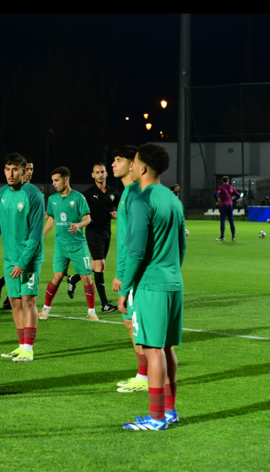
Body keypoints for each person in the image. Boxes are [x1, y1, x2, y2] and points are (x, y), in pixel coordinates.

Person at [118, 143, 185, 431]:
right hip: (173, 283)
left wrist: (124, 289)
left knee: (153, 349)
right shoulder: (173, 199)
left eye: (133, 162)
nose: (131, 167)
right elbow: (181, 246)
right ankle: (169, 411)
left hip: (151, 285)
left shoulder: (142, 200)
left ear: (143, 168)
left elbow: (135, 251)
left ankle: (156, 418)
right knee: (167, 348)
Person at [0, 153, 44, 362]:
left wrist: (23, 263)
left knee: (28, 300)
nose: (11, 173)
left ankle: (29, 349)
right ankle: (21, 345)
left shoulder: (34, 195)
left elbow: (35, 234)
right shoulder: (1, 194)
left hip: (30, 258)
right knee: (15, 301)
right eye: (7, 169)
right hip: (9, 259)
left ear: (24, 171)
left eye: (15, 169)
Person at [110, 145, 149, 393]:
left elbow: (134, 242)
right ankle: (142, 374)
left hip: (136, 275)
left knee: (137, 324)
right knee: (129, 322)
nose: (113, 164)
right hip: (130, 272)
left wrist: (123, 276)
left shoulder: (134, 194)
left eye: (118, 159)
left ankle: (145, 377)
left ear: (133, 165)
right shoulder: (126, 193)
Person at [40, 166, 98, 321]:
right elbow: (51, 220)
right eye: (52, 181)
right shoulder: (52, 199)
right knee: (57, 277)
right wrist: (40, 238)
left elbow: (87, 218)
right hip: (61, 245)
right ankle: (45, 309)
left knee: (86, 278)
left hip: (78, 245)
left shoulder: (79, 198)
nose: (54, 184)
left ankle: (91, 311)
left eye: (57, 180)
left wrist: (79, 225)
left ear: (66, 180)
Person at [0, 158, 34, 309]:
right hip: (17, 240)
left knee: (19, 268)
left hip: (26, 240)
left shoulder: (32, 192)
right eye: (27, 169)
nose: (29, 172)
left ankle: (3, 289)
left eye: (31, 169)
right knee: (20, 267)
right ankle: (9, 297)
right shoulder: (10, 192)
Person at [82, 163, 120, 313]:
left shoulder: (113, 192)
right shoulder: (88, 194)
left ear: (106, 173)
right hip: (93, 231)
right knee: (101, 266)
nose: (100, 175)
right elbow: (79, 210)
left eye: (102, 172)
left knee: (96, 265)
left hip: (107, 231)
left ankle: (74, 278)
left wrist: (119, 214)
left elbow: (122, 209)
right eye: (97, 172)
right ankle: (104, 304)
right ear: (93, 175)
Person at [215, 176, 241, 241]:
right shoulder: (231, 187)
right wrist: (233, 200)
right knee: (231, 221)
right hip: (230, 204)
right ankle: (233, 237)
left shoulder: (221, 188)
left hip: (223, 204)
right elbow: (238, 195)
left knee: (223, 220)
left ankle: (222, 237)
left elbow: (216, 195)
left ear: (222, 181)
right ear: (228, 181)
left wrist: (218, 201)